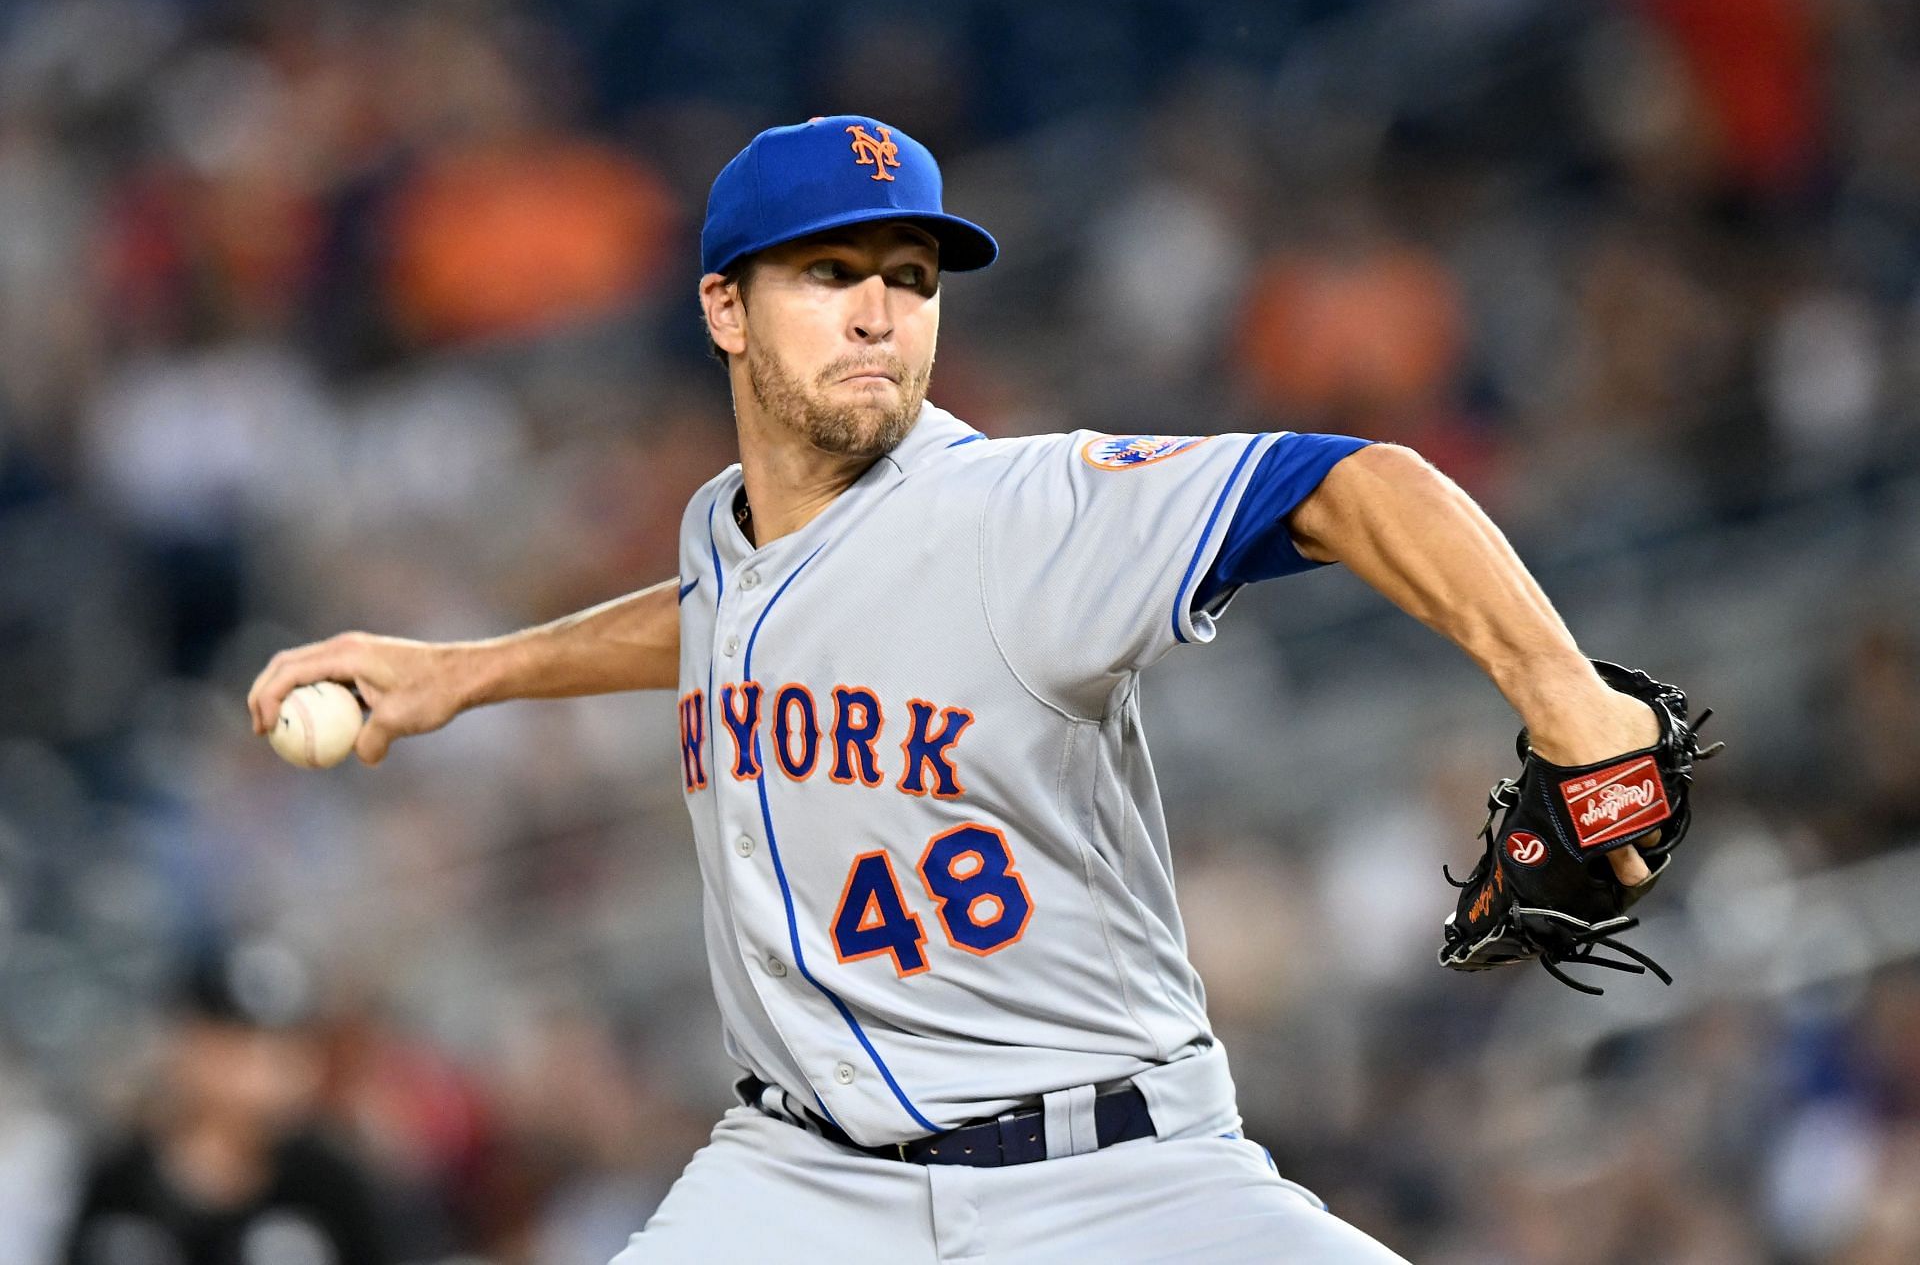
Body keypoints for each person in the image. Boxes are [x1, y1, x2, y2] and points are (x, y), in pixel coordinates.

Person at [249, 115, 1664, 1262]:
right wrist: (468, 673)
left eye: (910, 279)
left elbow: (1362, 481)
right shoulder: (721, 533)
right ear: (724, 308)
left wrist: (1574, 710)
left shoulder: (1016, 514)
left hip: (1120, 1180)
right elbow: (730, 620)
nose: (879, 314)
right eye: (830, 274)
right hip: (802, 1178)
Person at [62, 942, 392, 1265]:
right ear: (187, 1040)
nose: (260, 1070)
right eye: (237, 1044)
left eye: (278, 1046)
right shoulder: (117, 1180)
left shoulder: (330, 1183)